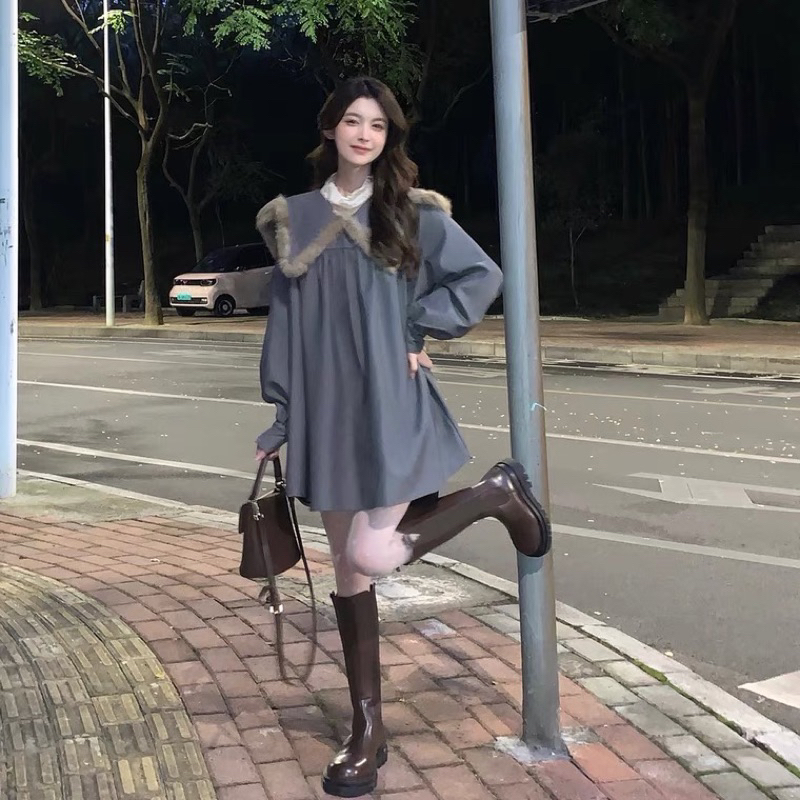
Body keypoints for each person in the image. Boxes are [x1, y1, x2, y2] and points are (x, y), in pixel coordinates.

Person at [254, 76, 552, 798]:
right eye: (353, 121)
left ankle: (493, 494)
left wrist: (421, 327)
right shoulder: (294, 218)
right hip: (326, 413)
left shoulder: (413, 213)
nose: (365, 134)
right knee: (347, 572)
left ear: (389, 137)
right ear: (330, 129)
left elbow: (480, 275)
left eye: (378, 125)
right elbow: (284, 327)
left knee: (370, 551)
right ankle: (367, 729)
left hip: (390, 402)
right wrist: (282, 417)